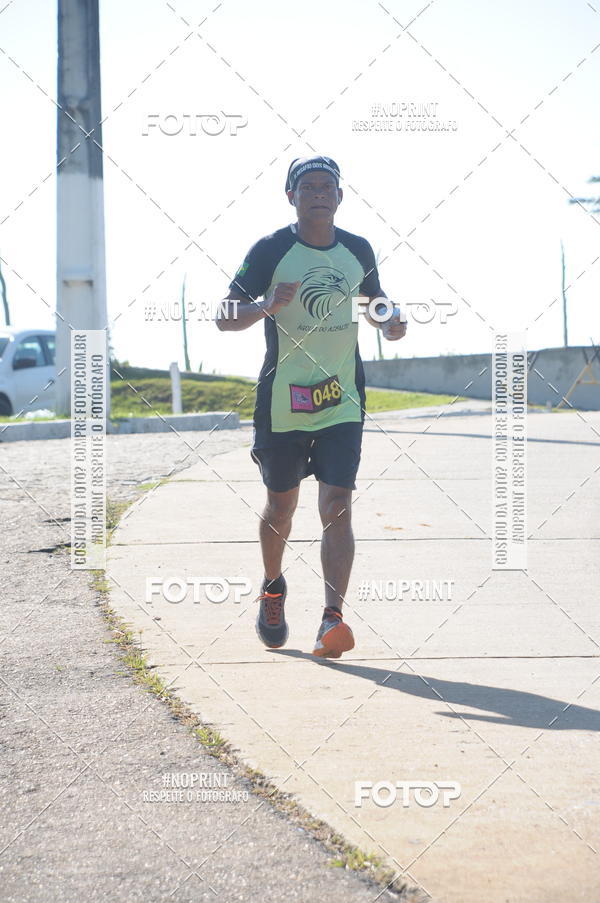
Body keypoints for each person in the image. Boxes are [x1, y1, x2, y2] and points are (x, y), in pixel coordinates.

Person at [215, 155, 407, 658]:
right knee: (282, 505)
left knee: (336, 507)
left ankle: (331, 620)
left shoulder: (358, 249)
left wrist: (390, 320)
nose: (319, 194)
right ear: (291, 197)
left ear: (340, 197)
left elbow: (374, 299)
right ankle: (274, 587)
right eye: (308, 187)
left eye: (328, 187)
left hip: (342, 398)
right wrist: (264, 306)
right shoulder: (271, 250)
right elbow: (224, 315)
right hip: (284, 401)